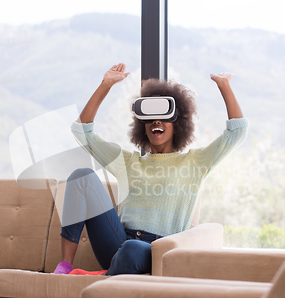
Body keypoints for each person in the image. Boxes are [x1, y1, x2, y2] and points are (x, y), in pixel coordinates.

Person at [53, 63, 248, 275]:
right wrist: (105, 85)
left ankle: (103, 276)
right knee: (82, 176)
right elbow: (81, 132)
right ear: (142, 125)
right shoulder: (128, 162)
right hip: (117, 242)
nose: (156, 121)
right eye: (150, 117)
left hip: (156, 251)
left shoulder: (195, 163)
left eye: (165, 116)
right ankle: (65, 267)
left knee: (132, 249)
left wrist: (224, 86)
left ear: (178, 123)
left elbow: (236, 133)